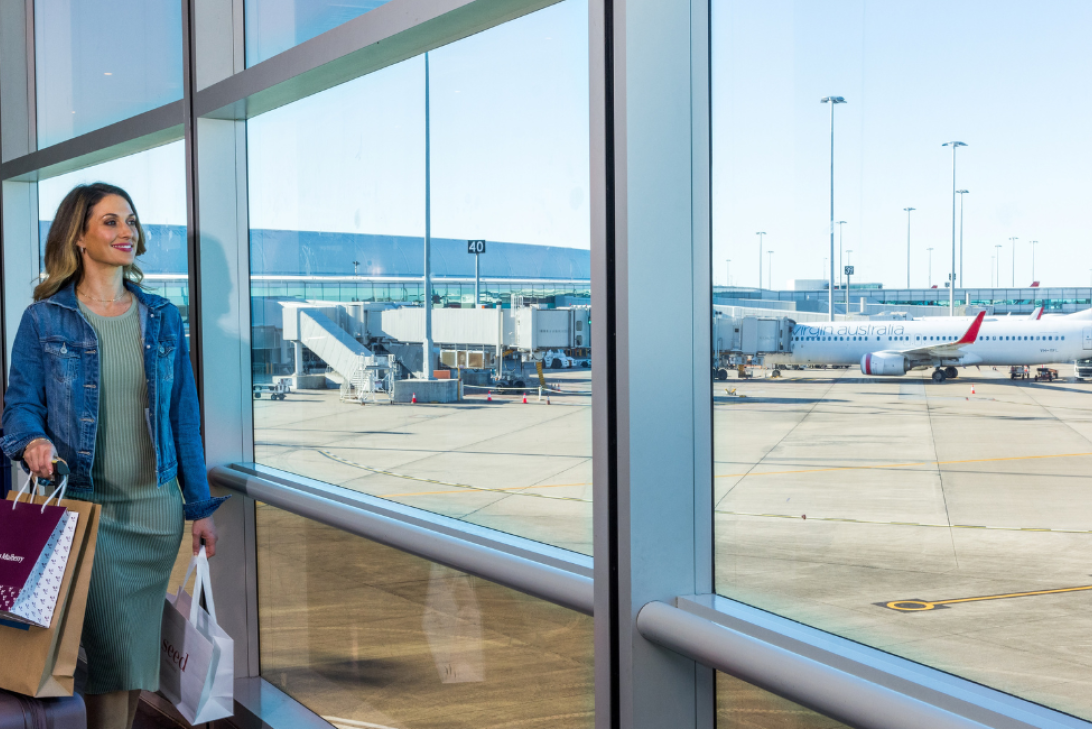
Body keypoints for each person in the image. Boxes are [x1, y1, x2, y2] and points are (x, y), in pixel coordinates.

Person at [1, 182, 227, 729]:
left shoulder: (161, 318)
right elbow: (19, 407)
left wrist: (198, 507)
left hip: (154, 516)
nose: (126, 231)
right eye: (110, 221)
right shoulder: (44, 320)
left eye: (130, 220)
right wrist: (33, 440)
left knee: (132, 663)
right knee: (112, 658)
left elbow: (184, 418)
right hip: (86, 514)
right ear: (77, 236)